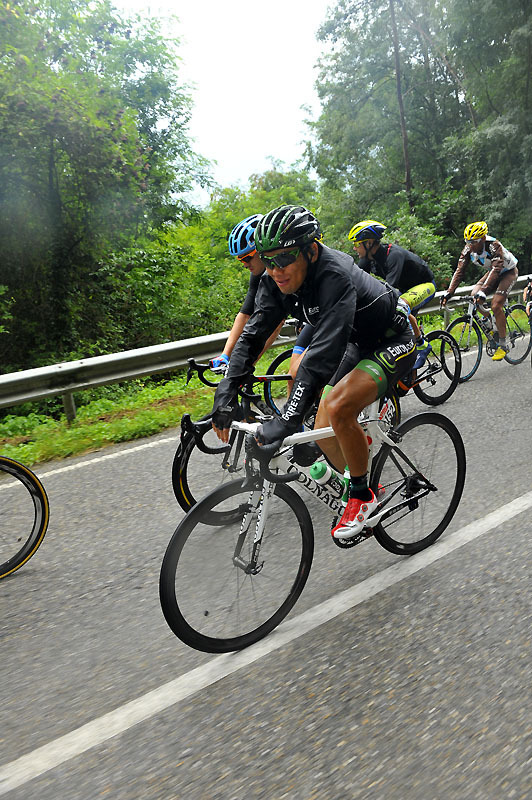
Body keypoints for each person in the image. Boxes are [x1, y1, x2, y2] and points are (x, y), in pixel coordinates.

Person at [211, 205, 416, 541]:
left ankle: (363, 496)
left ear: (311, 250)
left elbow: (323, 355)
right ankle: (362, 474)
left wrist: (288, 420)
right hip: (357, 339)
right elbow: (253, 337)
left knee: (338, 406)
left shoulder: (335, 274)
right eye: (268, 259)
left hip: (392, 339)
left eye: (284, 258)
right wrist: (225, 393)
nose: (276, 270)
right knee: (322, 431)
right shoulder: (275, 280)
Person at [209, 214, 313, 377]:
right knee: (293, 379)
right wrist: (225, 355)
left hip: (322, 319)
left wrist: (246, 364)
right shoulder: (257, 275)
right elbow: (245, 313)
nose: (244, 264)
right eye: (239, 259)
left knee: (300, 375)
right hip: (308, 321)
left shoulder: (279, 272)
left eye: (247, 257)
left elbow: (274, 324)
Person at [348, 220, 436, 368]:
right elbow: (353, 283)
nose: (354, 248)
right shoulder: (367, 260)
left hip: (424, 284)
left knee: (401, 304)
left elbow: (389, 290)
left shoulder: (393, 255)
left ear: (369, 243)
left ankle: (421, 344)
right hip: (405, 289)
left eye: (357, 244)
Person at [440, 221, 519, 361]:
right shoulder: (468, 249)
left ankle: (502, 345)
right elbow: (460, 271)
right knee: (473, 295)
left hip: (507, 272)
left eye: (474, 242)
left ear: (483, 238)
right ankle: (491, 320)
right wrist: (449, 291)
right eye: (468, 241)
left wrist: (484, 291)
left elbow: (496, 269)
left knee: (496, 305)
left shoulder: (494, 246)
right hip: (492, 272)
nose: (470, 245)